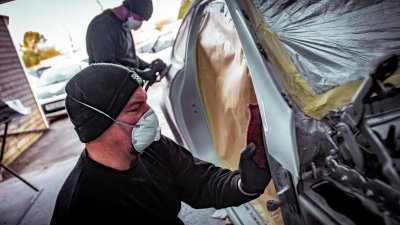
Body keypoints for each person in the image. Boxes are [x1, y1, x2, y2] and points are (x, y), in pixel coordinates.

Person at [50, 63, 271, 225]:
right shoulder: (79, 208)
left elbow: (202, 183)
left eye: (146, 102)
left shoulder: (153, 148)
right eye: (136, 109)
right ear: (99, 125)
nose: (150, 113)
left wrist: (244, 184)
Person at [86, 0, 166, 89]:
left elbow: (130, 58)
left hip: (126, 87)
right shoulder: (103, 25)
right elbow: (107, 67)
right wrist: (141, 74)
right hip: (112, 93)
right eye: (139, 19)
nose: (140, 23)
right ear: (130, 9)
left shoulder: (124, 25)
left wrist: (149, 67)